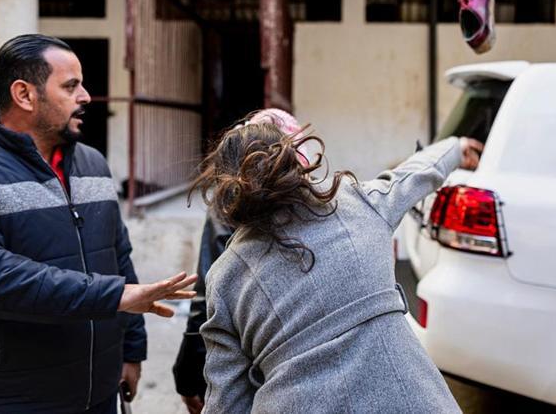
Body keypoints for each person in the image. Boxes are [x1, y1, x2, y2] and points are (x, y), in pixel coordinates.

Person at [0, 34, 197, 414]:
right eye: (71, 86)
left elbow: (119, 258)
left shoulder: (93, 164)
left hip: (98, 391)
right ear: (24, 94)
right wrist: (113, 296)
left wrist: (131, 351)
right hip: (12, 399)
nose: (85, 97)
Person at [192, 117, 482, 413]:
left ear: (226, 191)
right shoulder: (358, 203)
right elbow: (417, 172)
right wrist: (456, 148)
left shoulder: (225, 277)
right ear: (294, 162)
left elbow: (226, 402)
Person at [172, 109, 306, 414]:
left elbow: (208, 302)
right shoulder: (318, 205)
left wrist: (188, 374)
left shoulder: (228, 206)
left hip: (249, 360)